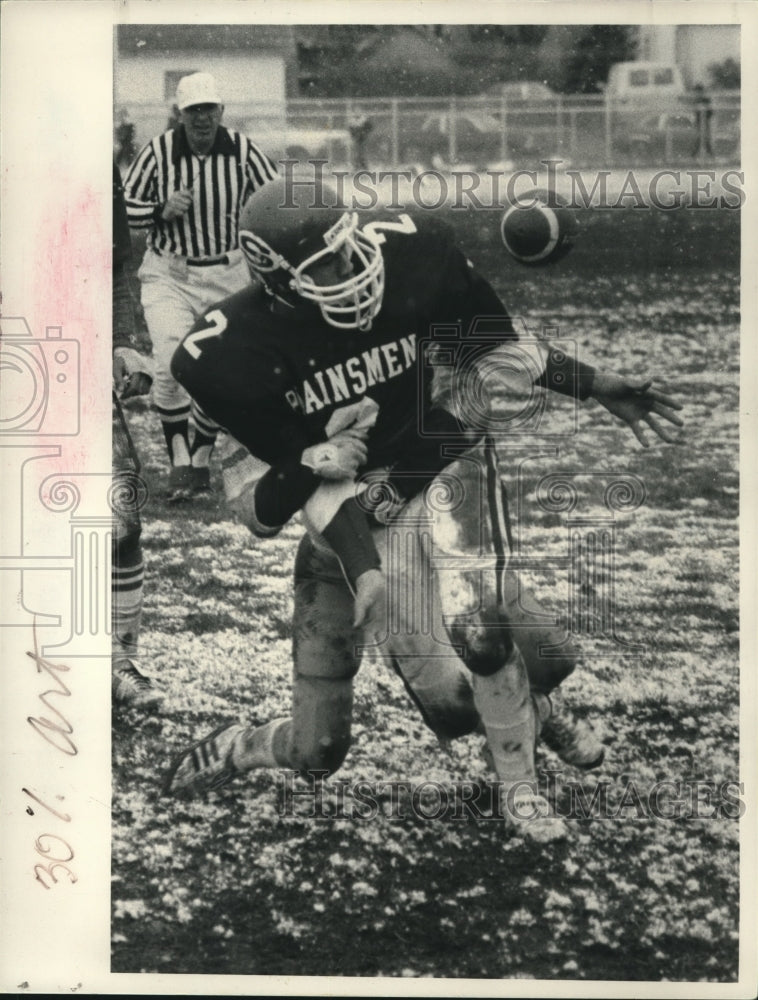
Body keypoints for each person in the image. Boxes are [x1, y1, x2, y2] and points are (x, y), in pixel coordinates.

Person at [164, 178, 683, 833]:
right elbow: (297, 495)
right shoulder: (231, 354)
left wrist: (593, 383)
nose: (349, 271)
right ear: (276, 279)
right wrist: (364, 562)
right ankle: (240, 745)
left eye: (347, 249)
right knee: (342, 745)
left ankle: (519, 789)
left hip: (434, 466)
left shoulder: (410, 254)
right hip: (352, 514)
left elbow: (488, 360)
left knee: (493, 633)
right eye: (323, 265)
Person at [122, 72, 279, 501]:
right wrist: (160, 209)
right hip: (170, 272)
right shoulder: (159, 152)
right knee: (172, 360)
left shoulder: (242, 150)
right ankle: (179, 461)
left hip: (228, 272)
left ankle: (201, 457)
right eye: (194, 111)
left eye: (209, 110)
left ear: (221, 112)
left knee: (219, 371)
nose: (203, 120)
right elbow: (124, 210)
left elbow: (274, 198)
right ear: (180, 115)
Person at [112, 162, 164, 708]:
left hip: (71, 351)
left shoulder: (95, 170)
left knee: (120, 517)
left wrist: (125, 343)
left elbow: (115, 270)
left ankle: (118, 660)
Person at [691, 83, 713, 159]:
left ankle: (709, 155)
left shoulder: (706, 100)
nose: (696, 94)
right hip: (698, 122)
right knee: (699, 138)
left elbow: (711, 112)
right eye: (696, 92)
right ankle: (709, 155)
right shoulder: (695, 100)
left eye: (698, 91)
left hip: (705, 122)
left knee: (704, 138)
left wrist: (705, 118)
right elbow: (695, 113)